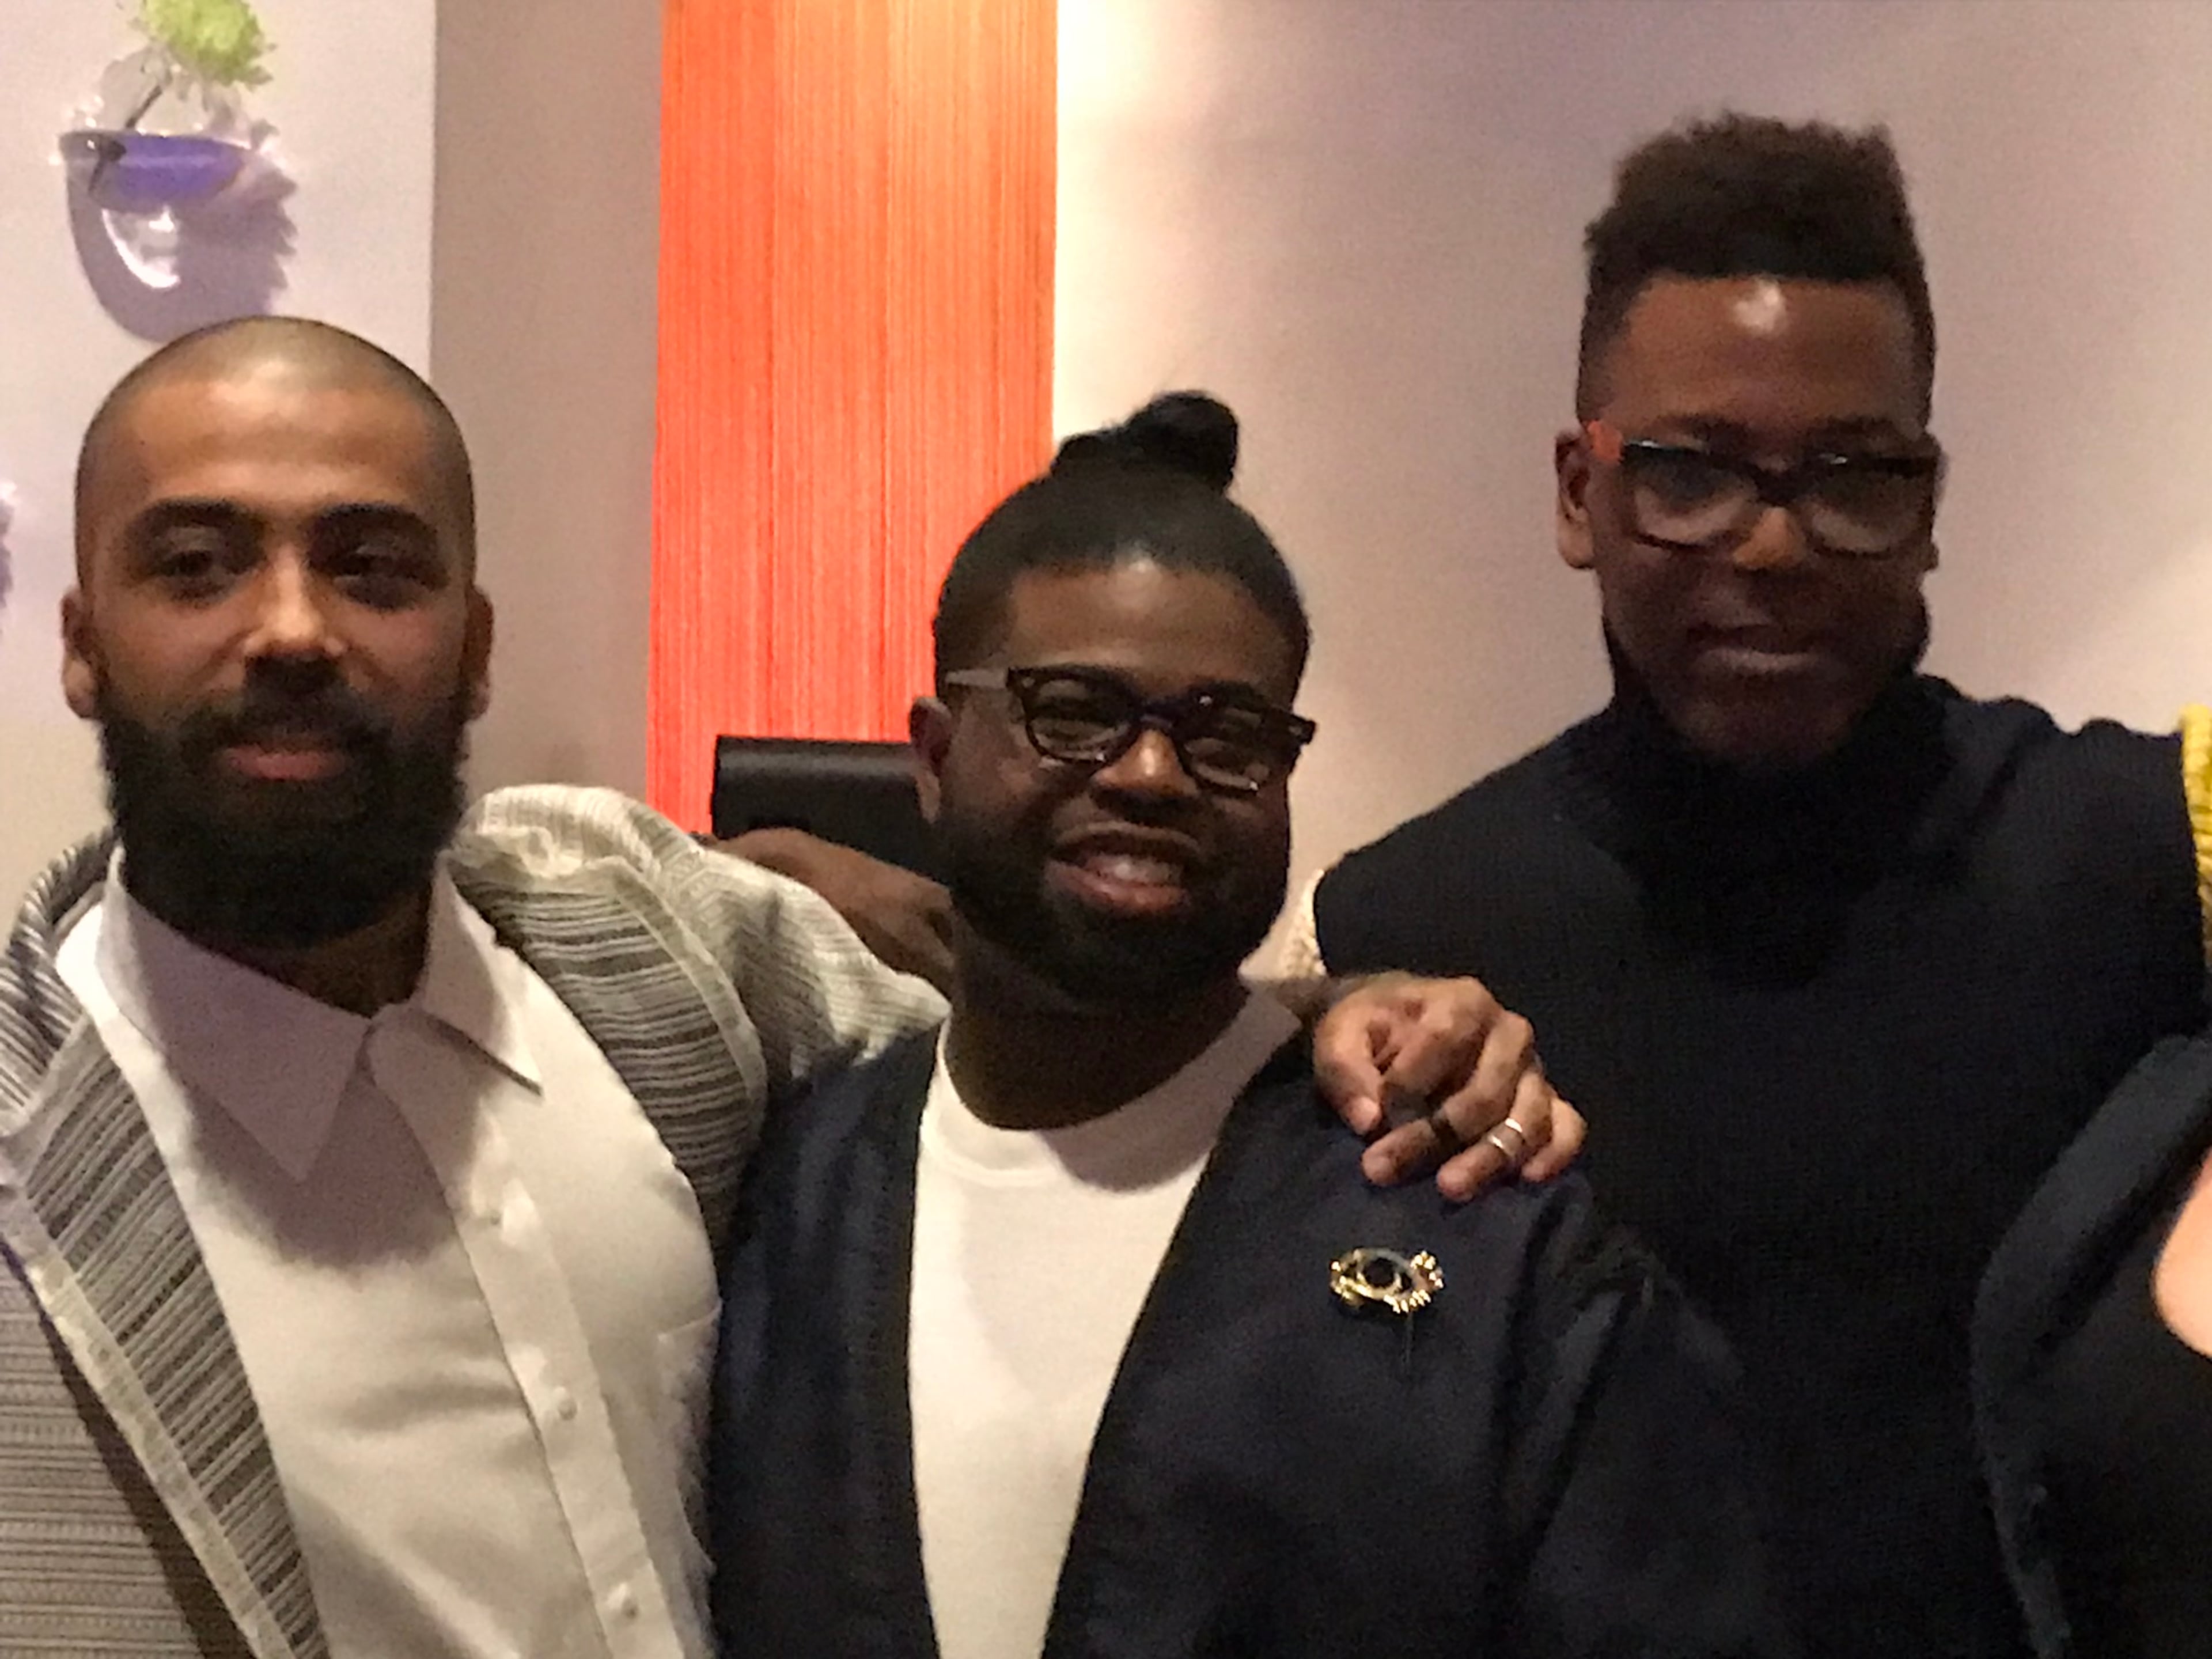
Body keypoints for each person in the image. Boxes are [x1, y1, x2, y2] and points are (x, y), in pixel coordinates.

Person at [0, 317, 1570, 1657]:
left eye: (372, 567)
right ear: (82, 642)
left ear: (474, 646)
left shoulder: (654, 961)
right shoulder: (30, 1187)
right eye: (197, 564)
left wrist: (1346, 1014)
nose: (290, 628)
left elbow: (1042, 1054)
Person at [1291, 115, 2209, 1657]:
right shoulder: (1418, 928)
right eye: (1693, 475)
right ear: (1580, 496)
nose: (1776, 546)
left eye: (1853, 475)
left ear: (1929, 502)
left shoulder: (2136, 859)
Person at [709, 393, 1790, 1659]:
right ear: (939, 758)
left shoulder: (1484, 1241)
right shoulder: (781, 1189)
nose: (1151, 775)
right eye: (1074, 711)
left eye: (1227, 735)